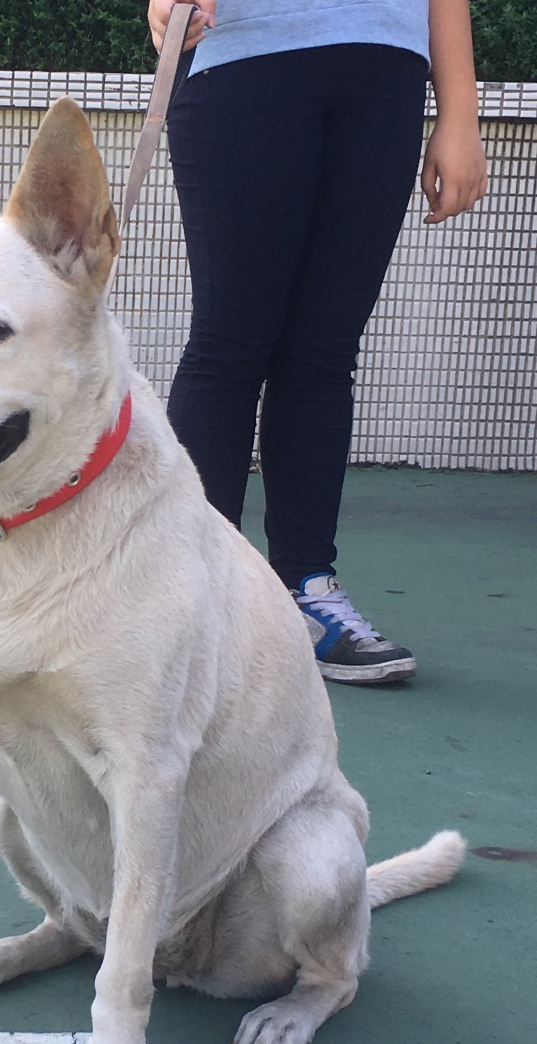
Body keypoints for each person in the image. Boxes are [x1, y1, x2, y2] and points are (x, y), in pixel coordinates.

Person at [147, 0, 487, 684]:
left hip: (386, 68)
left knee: (324, 354)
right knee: (230, 345)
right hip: (246, 58)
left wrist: (460, 115)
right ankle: (191, 596)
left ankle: (308, 592)